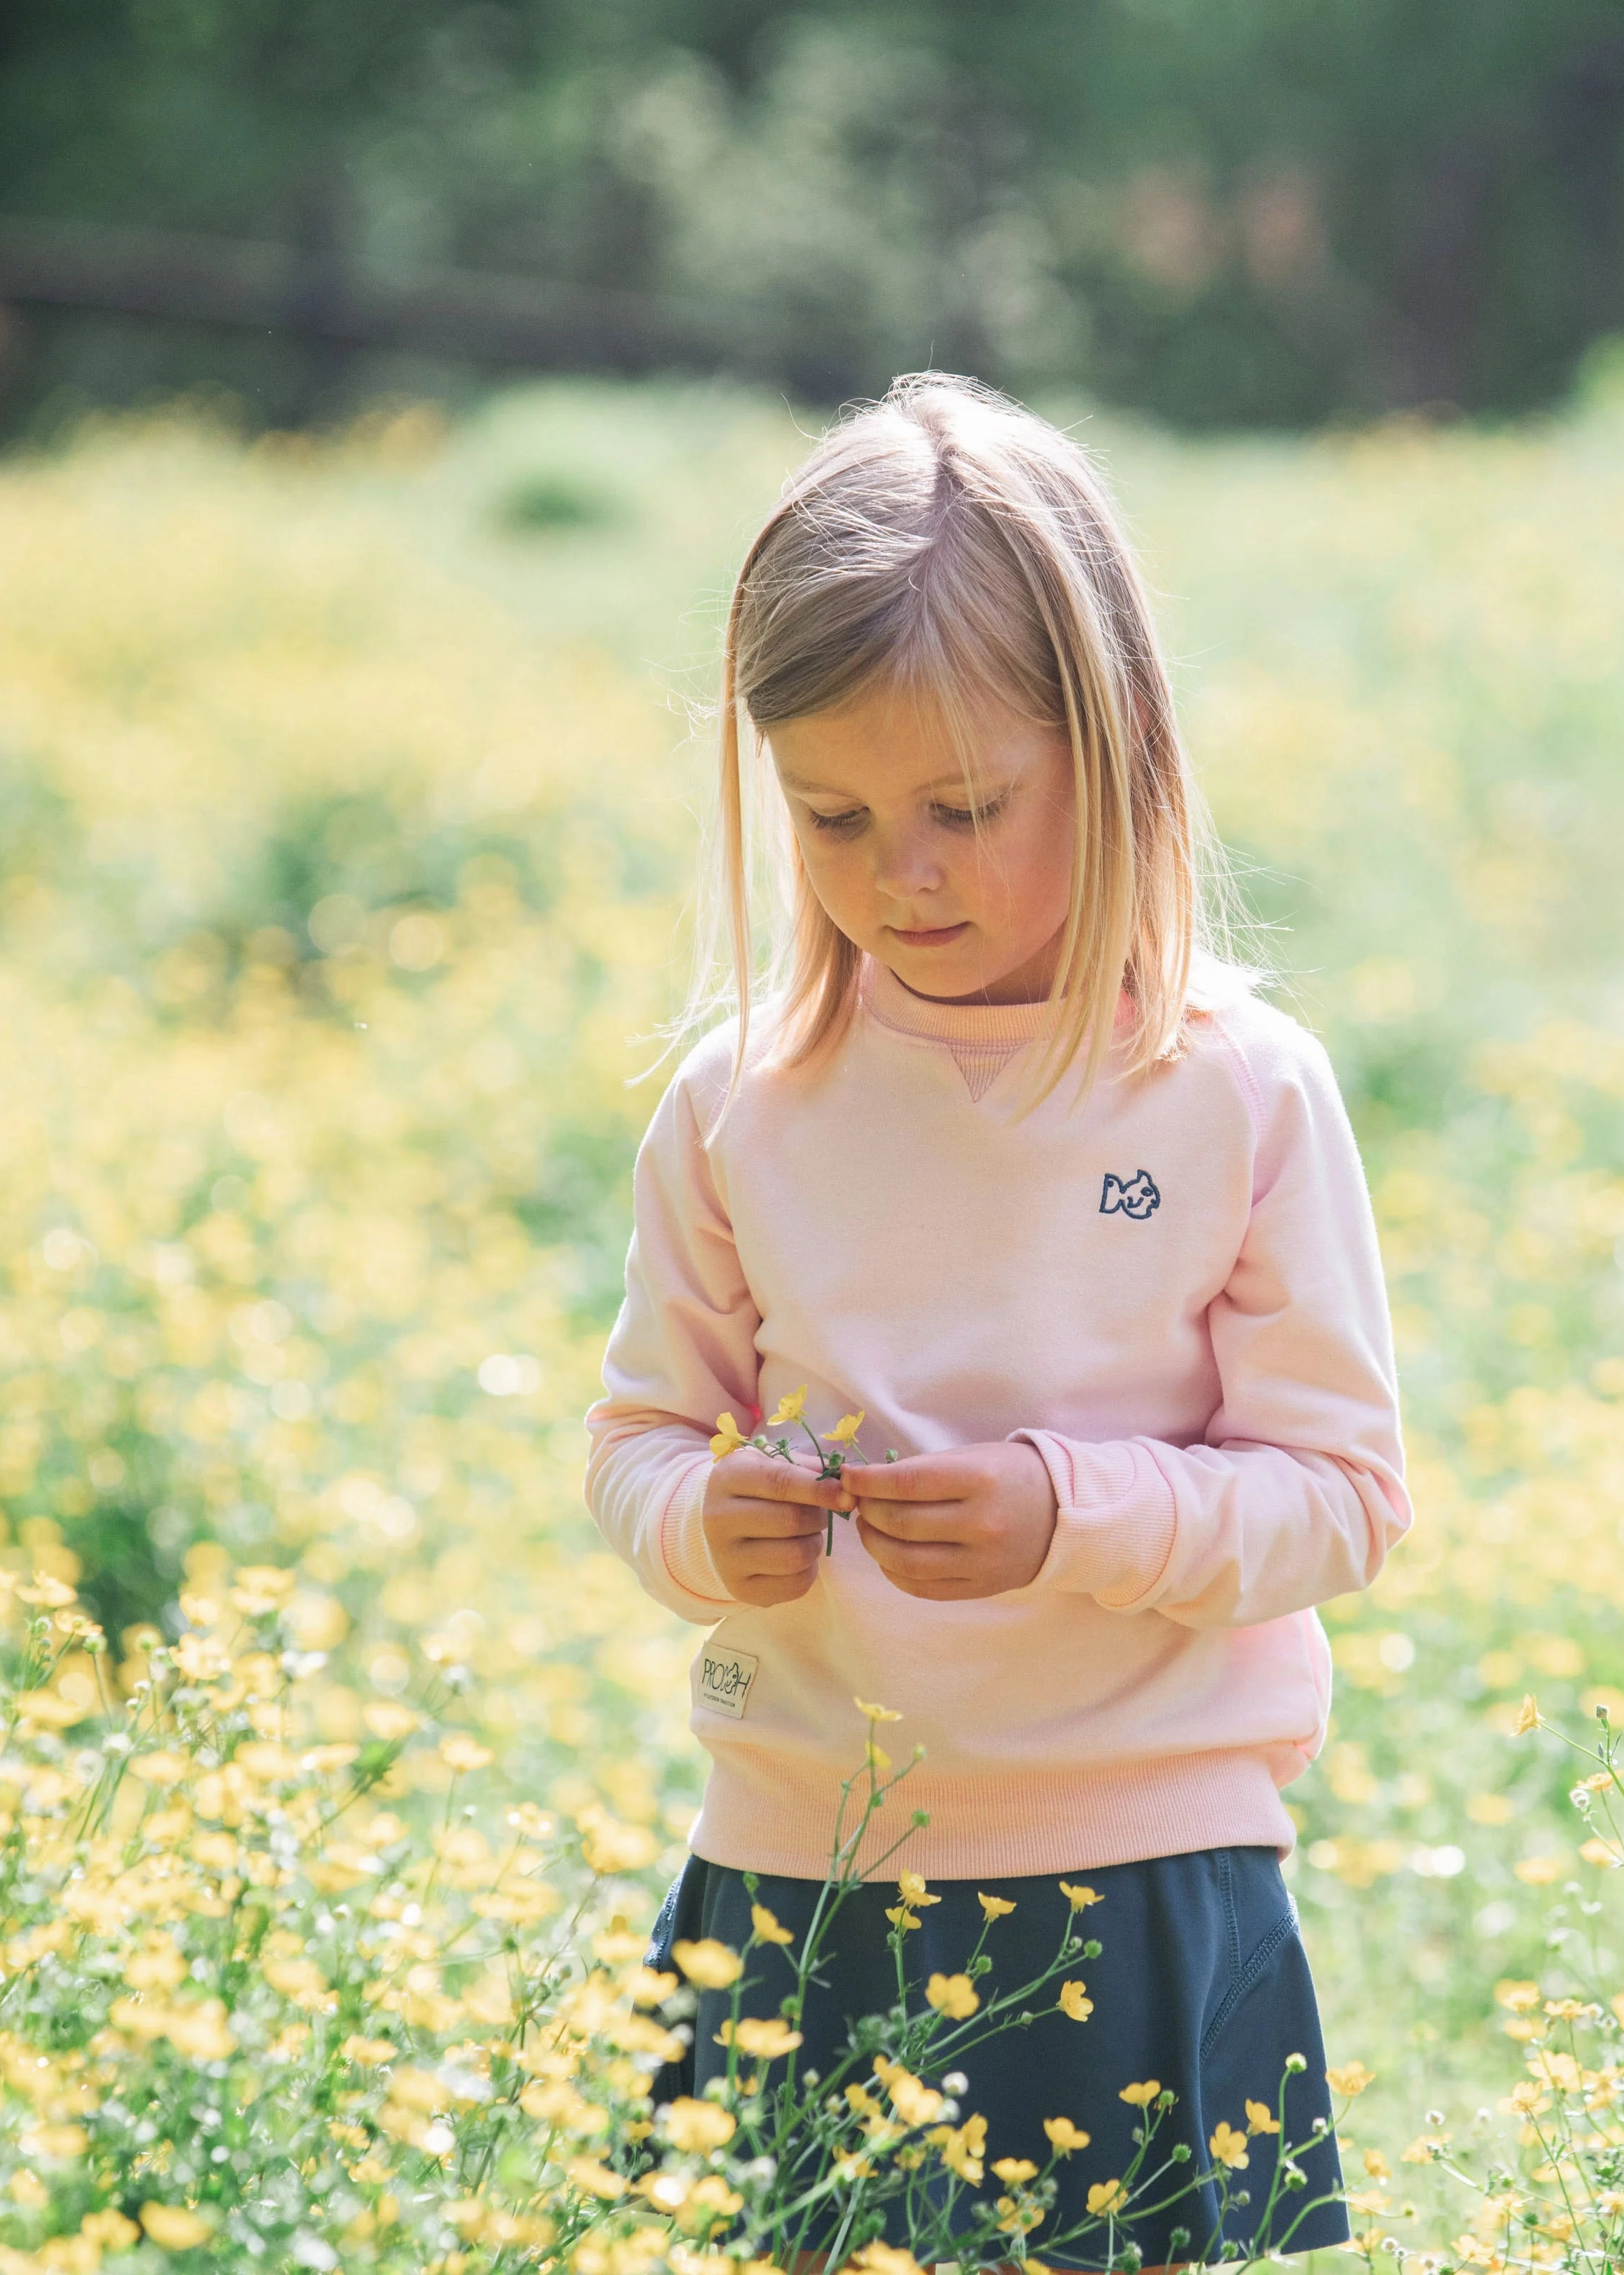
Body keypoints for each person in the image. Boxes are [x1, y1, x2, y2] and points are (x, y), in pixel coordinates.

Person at [581, 369, 1413, 2274]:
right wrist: (708, 1520)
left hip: (1143, 1866)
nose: (904, 873)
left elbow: (1345, 1496)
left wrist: (1075, 1517)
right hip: (795, 1864)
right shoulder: (741, 1104)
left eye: (965, 806)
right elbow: (636, 1443)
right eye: (834, 815)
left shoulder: (1239, 1091)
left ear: (1112, 748)